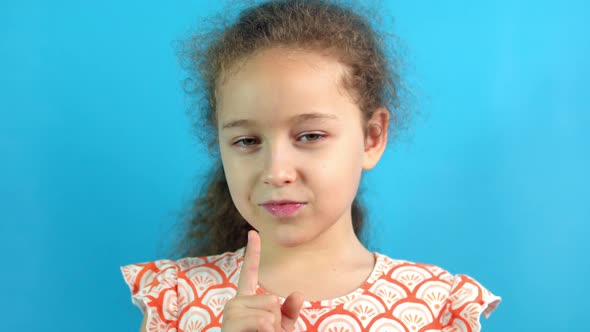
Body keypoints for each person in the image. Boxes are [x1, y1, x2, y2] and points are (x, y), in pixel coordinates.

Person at [120, 0, 502, 331]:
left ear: (372, 137)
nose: (276, 171)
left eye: (310, 136)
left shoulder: (436, 307)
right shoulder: (178, 299)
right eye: (248, 141)